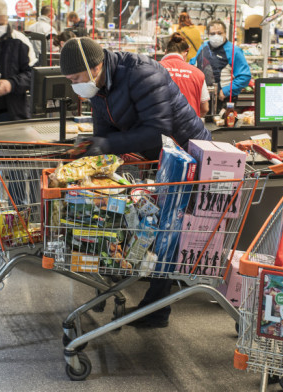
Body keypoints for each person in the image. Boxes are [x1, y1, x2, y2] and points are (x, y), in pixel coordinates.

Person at [60, 37, 212, 328]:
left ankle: (156, 310)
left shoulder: (142, 72)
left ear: (95, 66)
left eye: (76, 78)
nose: (74, 84)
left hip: (187, 157)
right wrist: (91, 160)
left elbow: (158, 131)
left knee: (169, 230)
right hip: (159, 159)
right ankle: (140, 294)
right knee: (153, 224)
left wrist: (104, 143)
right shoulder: (99, 87)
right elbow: (103, 131)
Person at [190, 20, 251, 109]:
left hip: (223, 101)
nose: (216, 36)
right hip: (203, 100)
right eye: (212, 33)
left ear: (225, 33)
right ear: (208, 35)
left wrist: (226, 91)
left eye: (219, 33)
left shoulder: (234, 51)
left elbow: (245, 76)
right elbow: (192, 66)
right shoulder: (203, 47)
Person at [160, 32, 210, 118]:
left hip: (160, 127)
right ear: (185, 53)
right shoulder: (198, 73)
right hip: (189, 128)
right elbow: (205, 108)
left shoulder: (152, 69)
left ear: (165, 52)